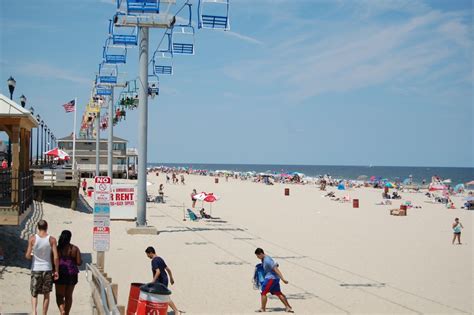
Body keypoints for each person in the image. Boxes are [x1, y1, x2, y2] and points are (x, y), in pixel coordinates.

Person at [25, 220, 59, 315]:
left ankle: (34, 311)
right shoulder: (52, 240)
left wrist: (32, 255)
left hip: (36, 268)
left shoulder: (32, 239)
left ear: (37, 227)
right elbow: (56, 257)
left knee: (34, 293)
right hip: (47, 269)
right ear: (47, 227)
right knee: (46, 294)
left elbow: (27, 256)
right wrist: (56, 270)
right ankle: (44, 313)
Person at [145, 247, 182, 314]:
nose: (147, 256)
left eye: (147, 254)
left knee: (164, 296)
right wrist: (171, 278)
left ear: (150, 253)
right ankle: (160, 311)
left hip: (160, 281)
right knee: (160, 296)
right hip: (165, 279)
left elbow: (158, 271)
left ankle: (176, 311)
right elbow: (168, 269)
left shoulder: (154, 261)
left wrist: (153, 281)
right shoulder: (160, 259)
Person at [254, 248, 293, 313]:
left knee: (263, 292)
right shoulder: (265, 258)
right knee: (278, 292)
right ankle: (288, 307)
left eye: (258, 256)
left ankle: (263, 309)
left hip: (270, 279)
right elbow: (276, 264)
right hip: (275, 279)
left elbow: (276, 269)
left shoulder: (267, 260)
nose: (257, 257)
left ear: (261, 254)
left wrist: (283, 279)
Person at [55, 230, 82, 315]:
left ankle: (62, 310)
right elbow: (78, 262)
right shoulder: (75, 248)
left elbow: (54, 260)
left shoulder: (57, 248)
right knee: (69, 296)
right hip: (72, 273)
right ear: (70, 238)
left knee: (59, 296)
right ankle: (67, 313)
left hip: (61, 272)